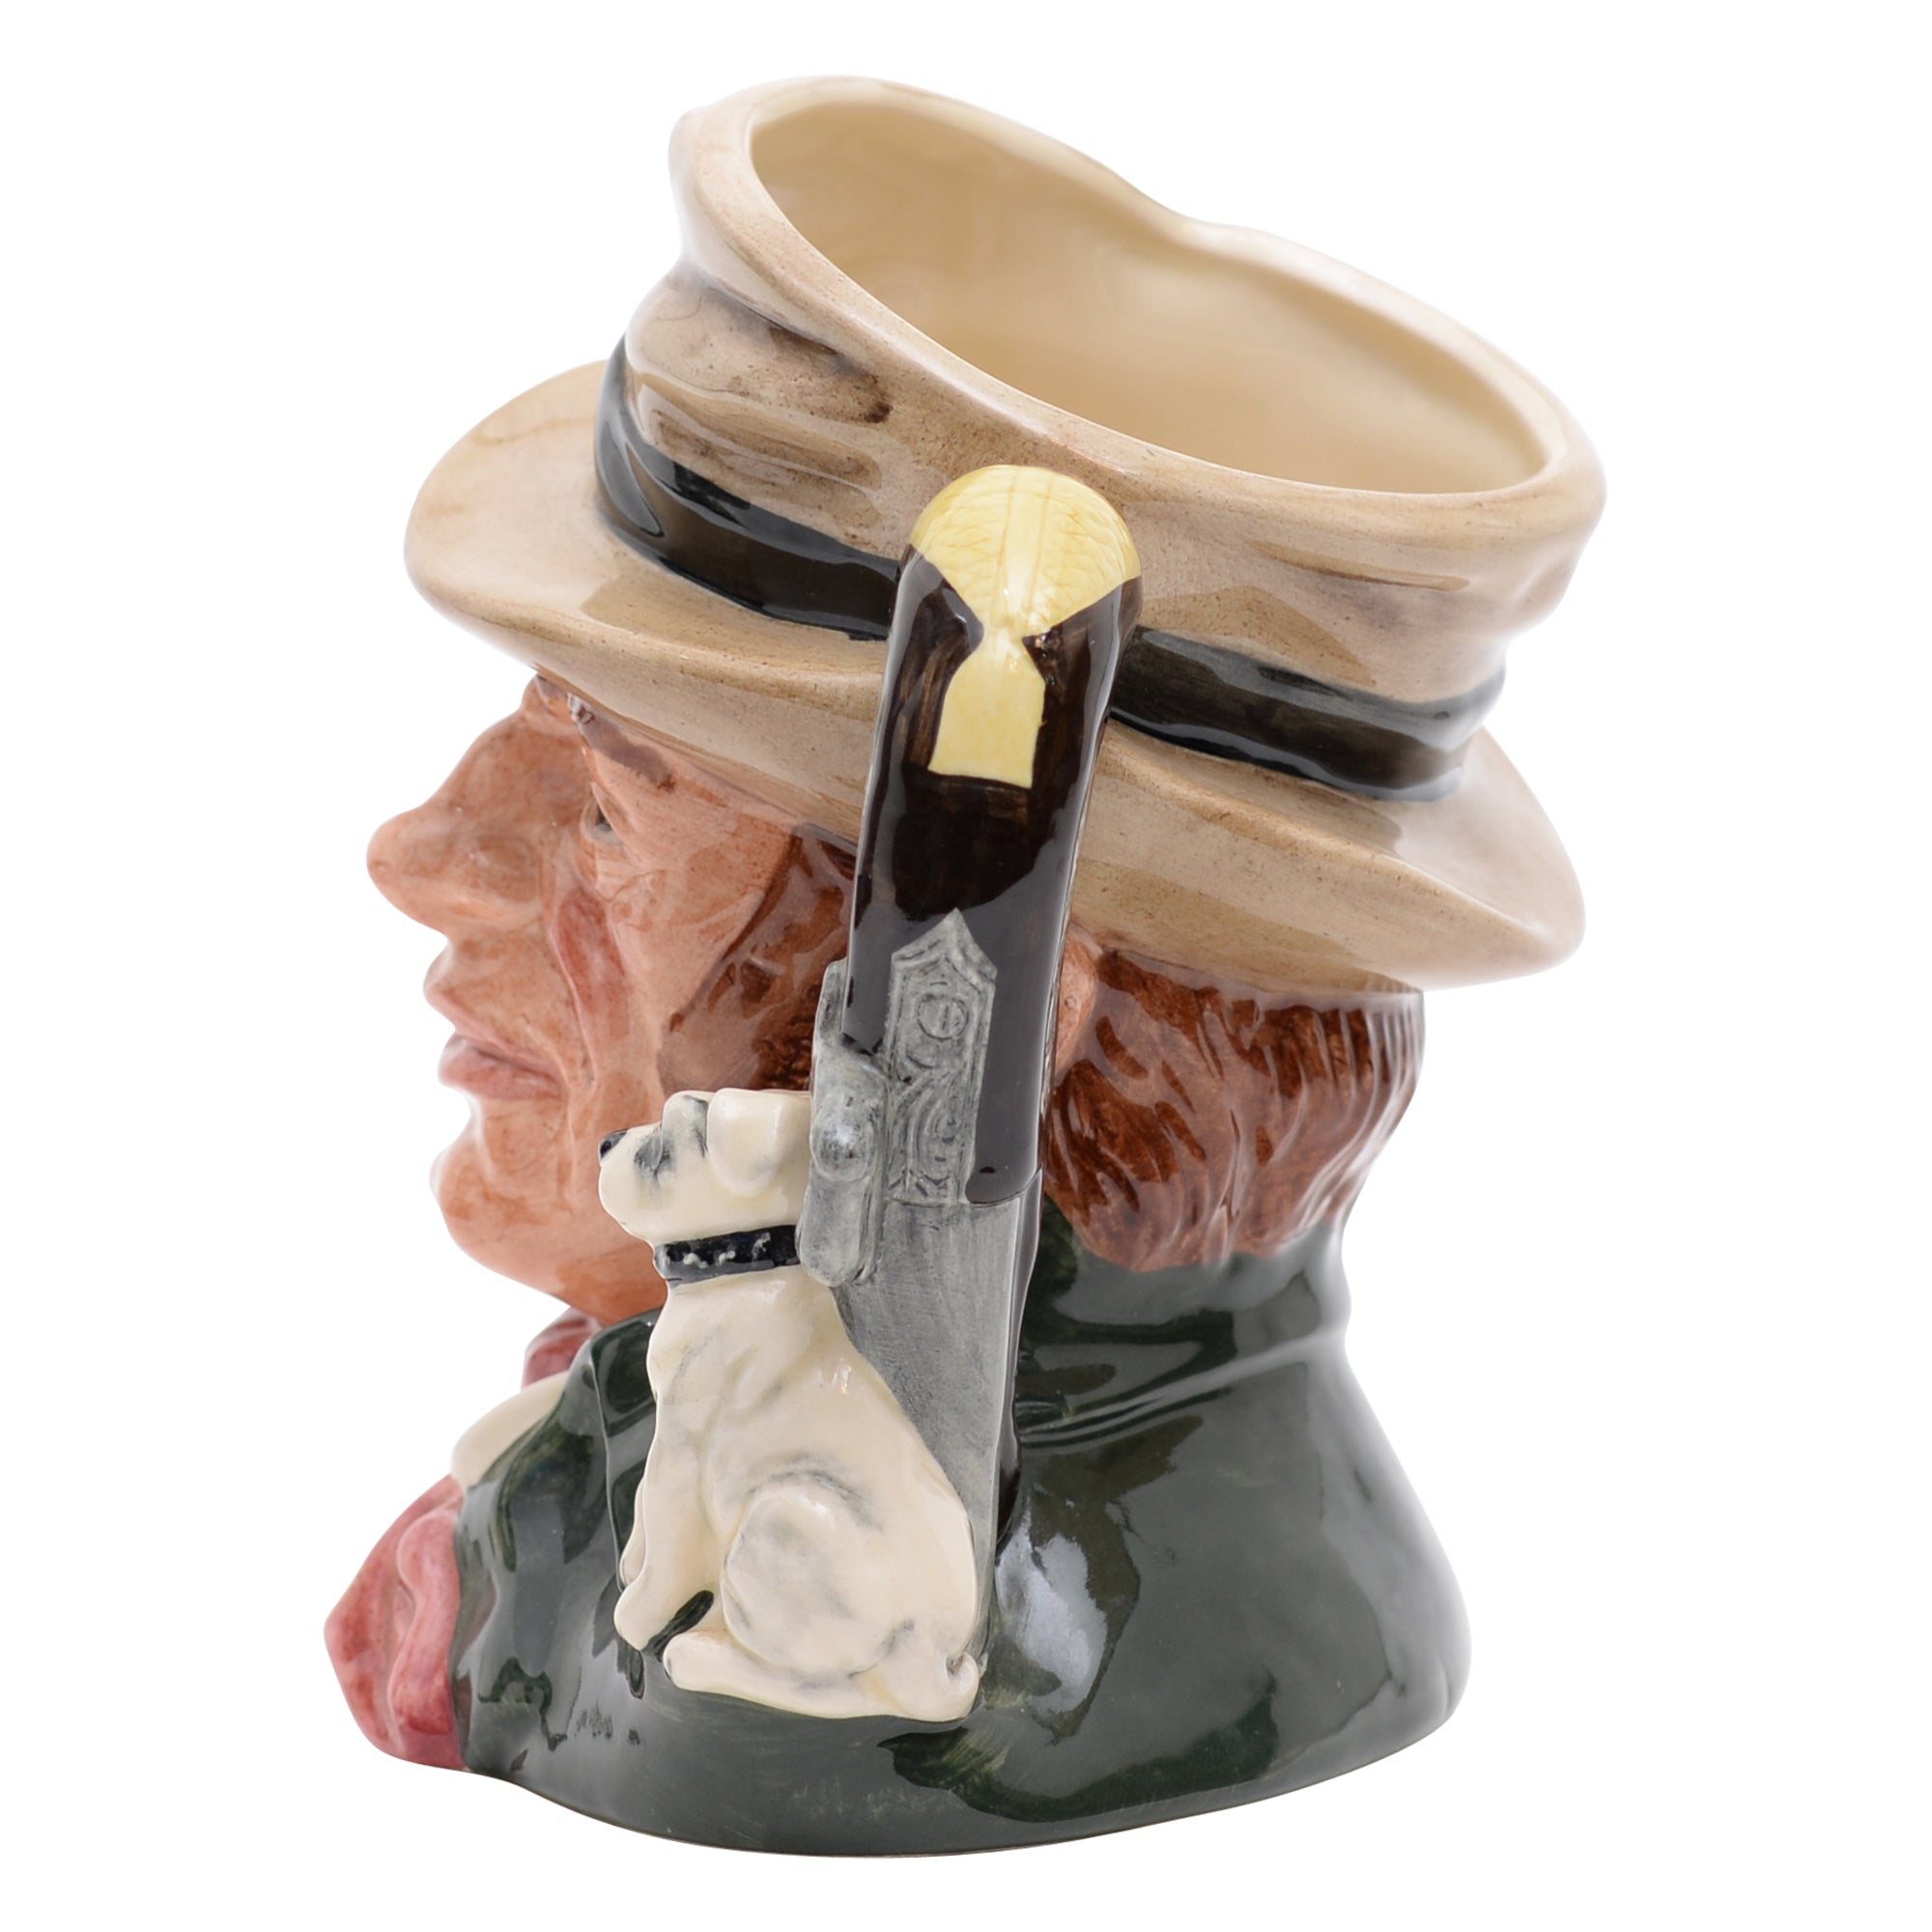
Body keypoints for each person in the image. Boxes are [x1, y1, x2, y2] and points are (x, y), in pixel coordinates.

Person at [327, 78, 1599, 1847]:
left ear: (991, 1007)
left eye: (608, 813)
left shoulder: (825, 1652)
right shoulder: (648, 1448)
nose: (424, 854)